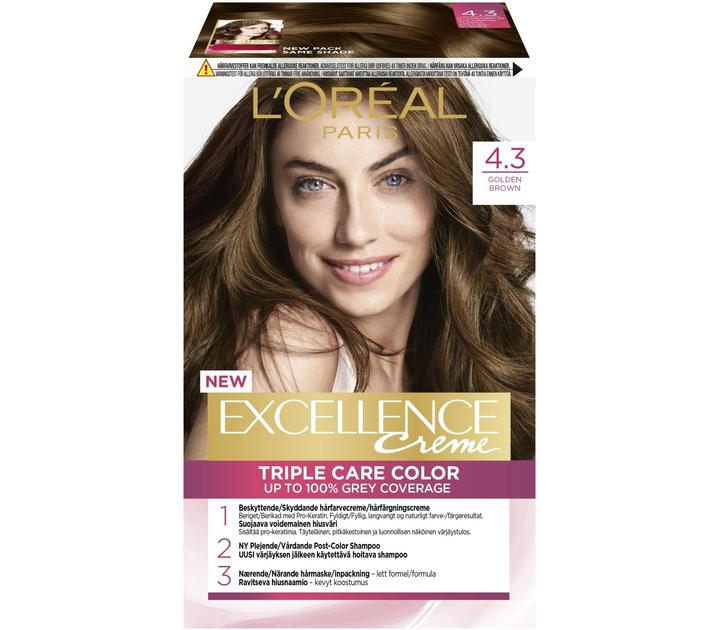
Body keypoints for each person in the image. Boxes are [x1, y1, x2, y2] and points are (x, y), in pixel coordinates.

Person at [183, 77, 535, 459]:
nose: (356, 232)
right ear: (273, 204)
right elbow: (214, 503)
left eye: (394, 179)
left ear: (445, 190)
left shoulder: (474, 362)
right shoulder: (293, 344)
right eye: (313, 184)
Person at [211, 20, 278, 45]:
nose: (260, 31)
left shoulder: (268, 41)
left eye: (265, 28)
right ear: (236, 28)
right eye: (252, 28)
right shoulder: (217, 41)